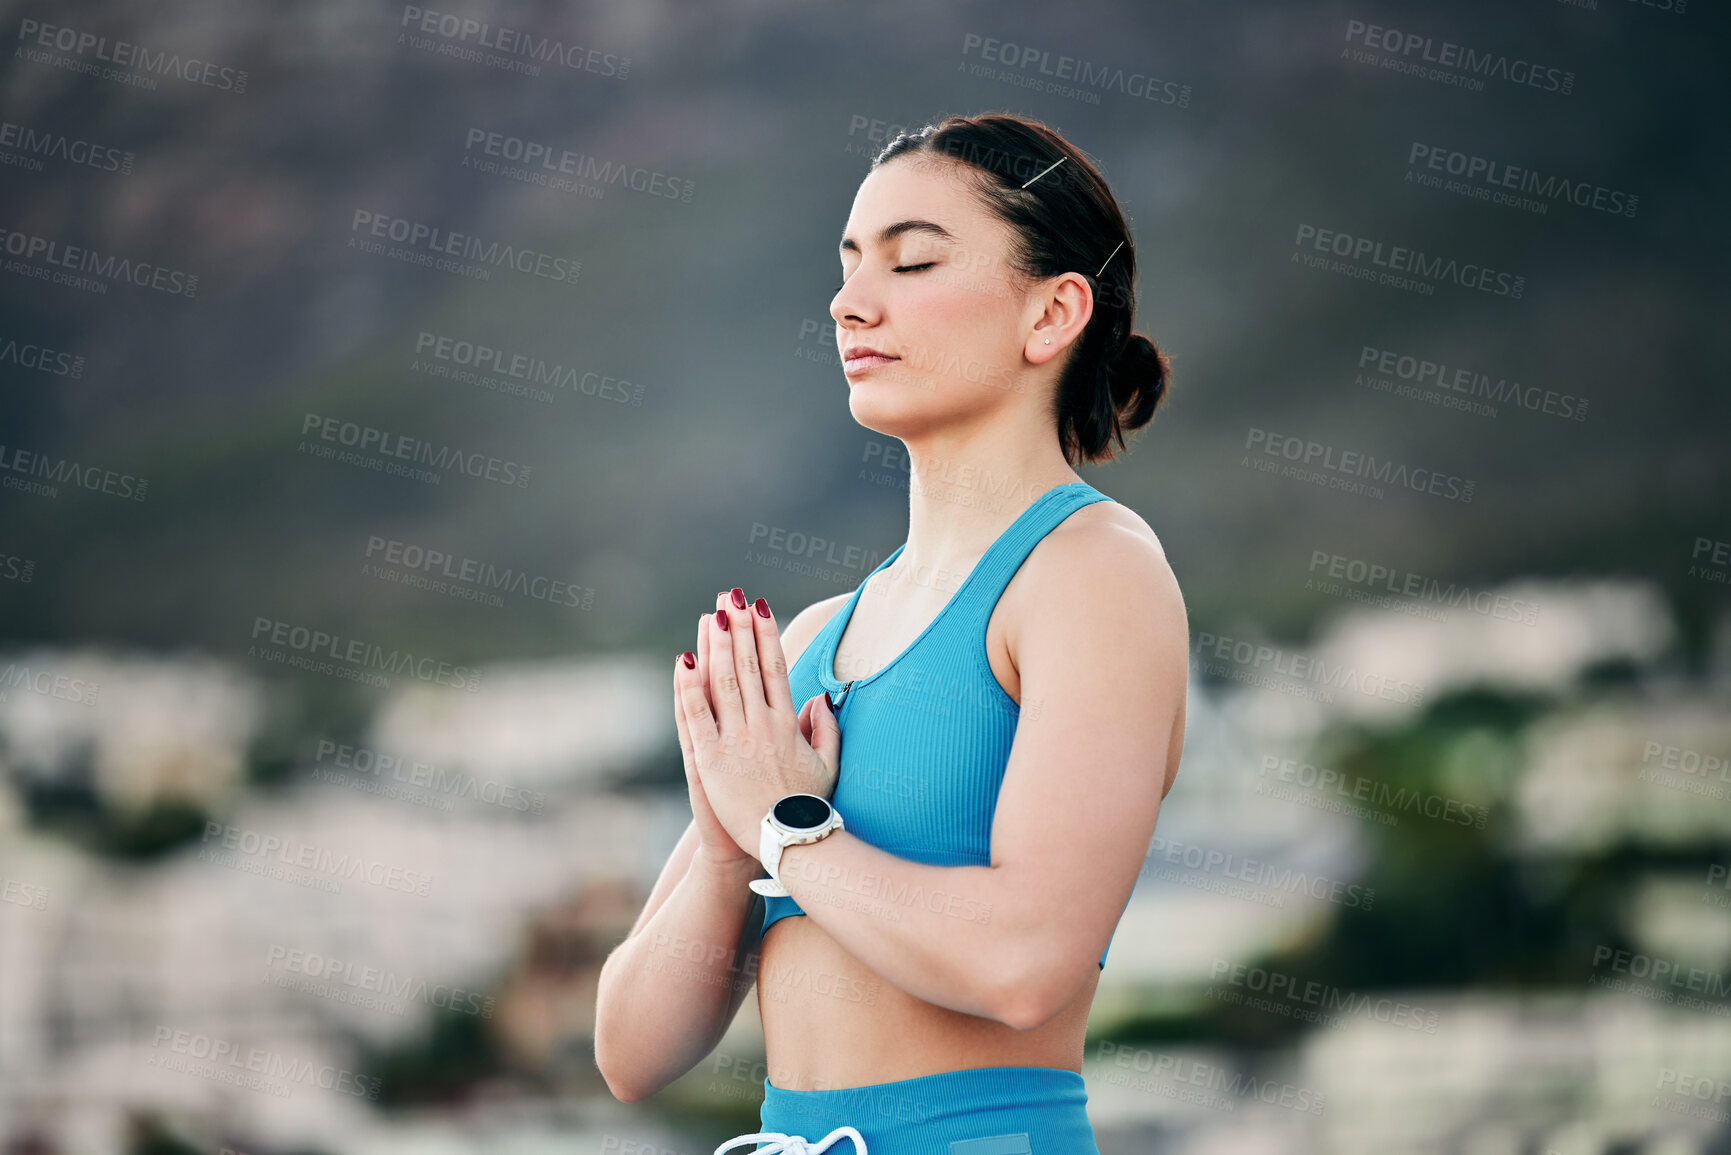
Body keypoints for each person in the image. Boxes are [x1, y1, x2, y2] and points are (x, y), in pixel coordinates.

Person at [595, 112, 1189, 1155]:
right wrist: (735, 846)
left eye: (912, 262)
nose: (848, 302)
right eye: (848, 264)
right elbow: (632, 1052)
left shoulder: (1094, 573)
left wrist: (785, 826)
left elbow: (1025, 964)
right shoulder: (814, 638)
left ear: (1052, 313)